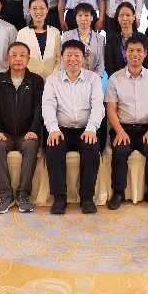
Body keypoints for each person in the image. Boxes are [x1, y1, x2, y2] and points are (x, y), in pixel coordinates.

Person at [42, 39, 106, 215]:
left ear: (84, 58)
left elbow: (98, 105)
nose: (73, 59)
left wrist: (92, 128)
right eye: (68, 55)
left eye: (77, 55)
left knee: (92, 148)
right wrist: (53, 129)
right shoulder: (53, 80)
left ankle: (87, 197)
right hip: (61, 128)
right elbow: (48, 106)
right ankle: (59, 197)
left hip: (86, 129)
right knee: (54, 146)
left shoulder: (93, 79)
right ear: (62, 58)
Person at [104, 35, 148, 211]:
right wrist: (119, 131)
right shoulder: (115, 79)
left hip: (147, 128)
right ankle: (118, 192)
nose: (135, 54)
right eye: (131, 50)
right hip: (122, 127)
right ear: (125, 53)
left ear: (145, 53)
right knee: (120, 150)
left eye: (139, 50)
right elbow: (111, 110)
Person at [0, 42, 45, 214]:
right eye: (14, 55)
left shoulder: (36, 81)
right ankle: (5, 195)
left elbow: (39, 108)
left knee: (31, 146)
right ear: (8, 58)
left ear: (28, 59)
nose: (18, 59)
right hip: (4, 133)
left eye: (22, 55)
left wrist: (33, 130)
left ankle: (23, 194)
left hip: (27, 133)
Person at [18, 0, 62, 80]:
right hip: (29, 80)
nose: (38, 11)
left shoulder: (55, 32)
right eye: (34, 8)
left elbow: (59, 59)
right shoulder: (22, 33)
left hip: (52, 80)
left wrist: (52, 78)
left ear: (47, 10)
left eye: (42, 8)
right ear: (29, 10)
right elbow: (20, 59)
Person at [103, 2, 148, 75]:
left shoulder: (142, 38)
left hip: (139, 77)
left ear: (134, 17)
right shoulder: (111, 39)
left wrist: (136, 75)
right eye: (121, 15)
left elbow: (147, 60)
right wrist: (117, 77)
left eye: (128, 15)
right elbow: (108, 63)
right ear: (117, 18)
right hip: (117, 78)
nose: (125, 18)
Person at [67, 2, 107, 77]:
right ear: (75, 18)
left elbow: (101, 64)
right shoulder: (68, 36)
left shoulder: (100, 38)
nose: (83, 18)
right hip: (71, 77)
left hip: (93, 78)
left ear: (92, 17)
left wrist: (94, 79)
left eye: (86, 15)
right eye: (80, 15)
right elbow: (64, 60)